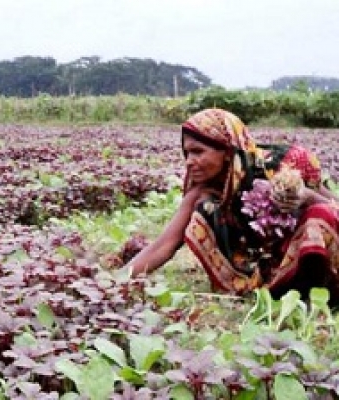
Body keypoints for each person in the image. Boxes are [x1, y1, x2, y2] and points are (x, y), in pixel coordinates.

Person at [125, 108, 339, 302]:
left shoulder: (285, 165)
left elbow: (334, 208)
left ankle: (316, 295)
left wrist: (307, 197)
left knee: (321, 213)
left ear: (227, 152)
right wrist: (117, 281)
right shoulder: (202, 191)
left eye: (198, 151)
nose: (189, 161)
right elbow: (164, 245)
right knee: (203, 209)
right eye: (186, 153)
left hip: (307, 264)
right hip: (265, 277)